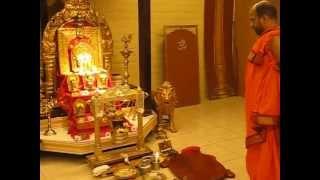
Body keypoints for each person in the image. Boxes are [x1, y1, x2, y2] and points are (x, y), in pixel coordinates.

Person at [245, 1, 280, 180]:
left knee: (269, 157)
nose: (251, 25)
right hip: (260, 110)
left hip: (268, 115)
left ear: (264, 18)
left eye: (253, 20)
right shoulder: (266, 39)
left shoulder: (274, 37)